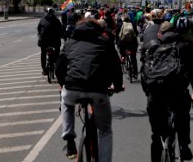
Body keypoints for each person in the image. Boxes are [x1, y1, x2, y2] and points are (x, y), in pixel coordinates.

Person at [56, 18, 123, 160]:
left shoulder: (69, 43)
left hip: (72, 87)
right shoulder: (105, 42)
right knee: (105, 130)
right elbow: (116, 67)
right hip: (98, 90)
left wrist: (63, 84)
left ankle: (69, 139)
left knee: (66, 103)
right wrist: (117, 86)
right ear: (97, 29)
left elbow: (59, 67)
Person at [140, 22, 193, 162]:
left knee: (156, 133)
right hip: (177, 92)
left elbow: (144, 73)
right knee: (183, 115)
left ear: (159, 35)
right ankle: (184, 145)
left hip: (155, 93)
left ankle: (157, 153)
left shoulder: (150, 47)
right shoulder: (183, 46)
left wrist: (148, 92)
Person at [37, 8, 63, 75]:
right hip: (54, 40)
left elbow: (38, 29)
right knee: (57, 52)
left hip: (43, 41)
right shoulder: (56, 20)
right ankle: (57, 66)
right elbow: (61, 29)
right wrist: (63, 35)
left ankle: (44, 69)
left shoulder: (42, 19)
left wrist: (40, 35)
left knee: (43, 53)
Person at [118, 13, 139, 78]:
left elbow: (117, 35)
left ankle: (123, 58)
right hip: (132, 43)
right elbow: (136, 33)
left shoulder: (120, 24)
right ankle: (135, 73)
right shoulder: (133, 24)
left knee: (122, 52)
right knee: (133, 57)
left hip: (123, 43)